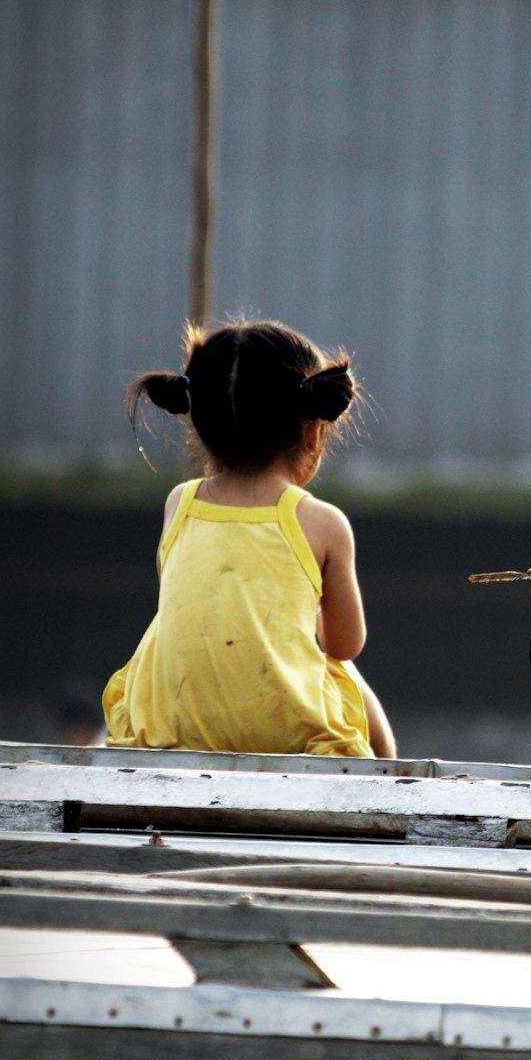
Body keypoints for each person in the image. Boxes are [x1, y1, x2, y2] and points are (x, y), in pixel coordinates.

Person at [103, 319, 396, 759]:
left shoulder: (178, 503)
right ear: (313, 431)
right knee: (347, 676)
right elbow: (345, 644)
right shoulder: (323, 522)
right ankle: (388, 784)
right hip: (288, 738)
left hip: (163, 727)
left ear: (199, 424)